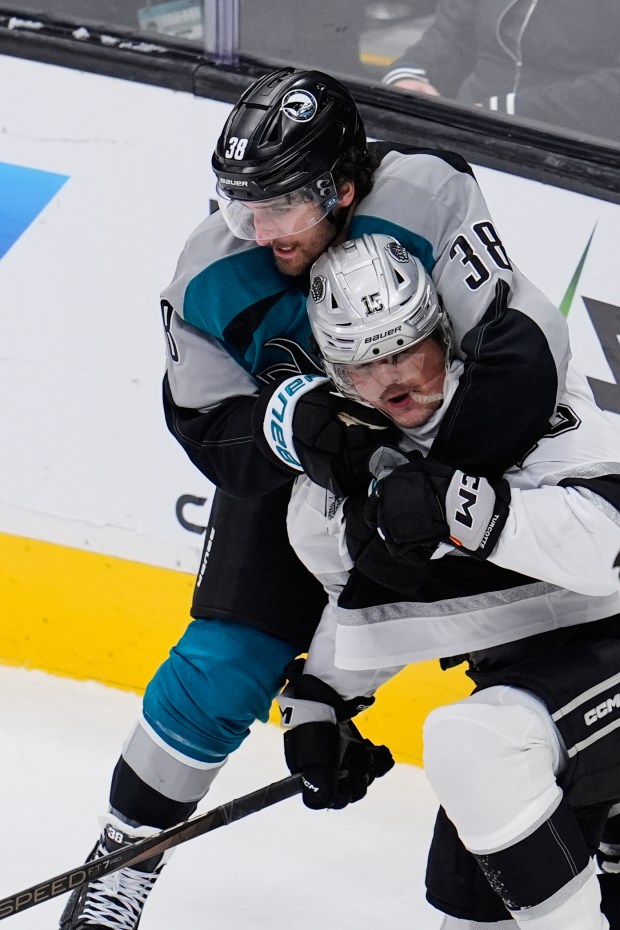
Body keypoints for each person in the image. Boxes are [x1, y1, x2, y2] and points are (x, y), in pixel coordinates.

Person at [59, 67, 571, 929]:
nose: (256, 232)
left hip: (448, 446)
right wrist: (302, 430)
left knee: (531, 655)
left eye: (279, 208)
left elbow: (520, 351)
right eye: (238, 206)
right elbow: (204, 427)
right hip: (306, 472)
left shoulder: (425, 195)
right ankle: (124, 852)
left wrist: (433, 491)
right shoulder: (211, 274)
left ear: (339, 186)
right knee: (223, 667)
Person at [280, 232, 620, 929]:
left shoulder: (518, 402)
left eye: (405, 347)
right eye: (362, 364)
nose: (391, 378)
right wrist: (324, 698)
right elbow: (378, 605)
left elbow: (608, 548)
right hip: (546, 696)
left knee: (477, 745)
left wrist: (471, 510)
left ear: (443, 330)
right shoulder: (336, 494)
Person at [382, 0, 620, 143]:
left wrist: (509, 112)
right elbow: (451, 33)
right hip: (466, 131)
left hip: (570, 149)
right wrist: (408, 75)